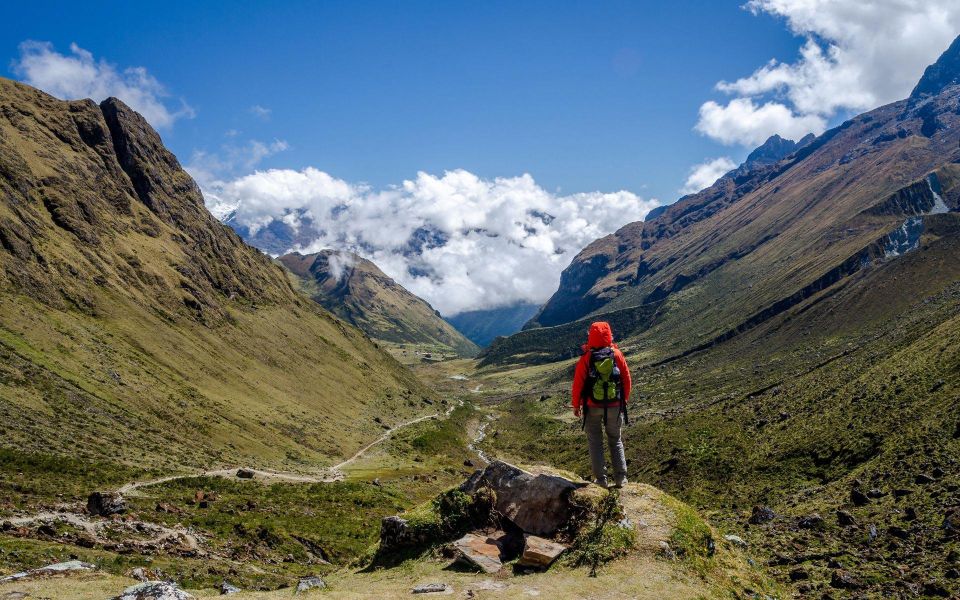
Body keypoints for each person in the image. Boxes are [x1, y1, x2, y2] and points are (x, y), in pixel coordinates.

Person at [571, 321, 632, 488]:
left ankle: (601, 480)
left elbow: (578, 383)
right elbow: (626, 379)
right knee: (615, 439)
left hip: (592, 406)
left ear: (591, 336)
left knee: (595, 441)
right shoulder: (617, 354)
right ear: (609, 335)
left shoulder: (587, 358)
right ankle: (621, 478)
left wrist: (576, 405)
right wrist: (623, 400)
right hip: (614, 405)